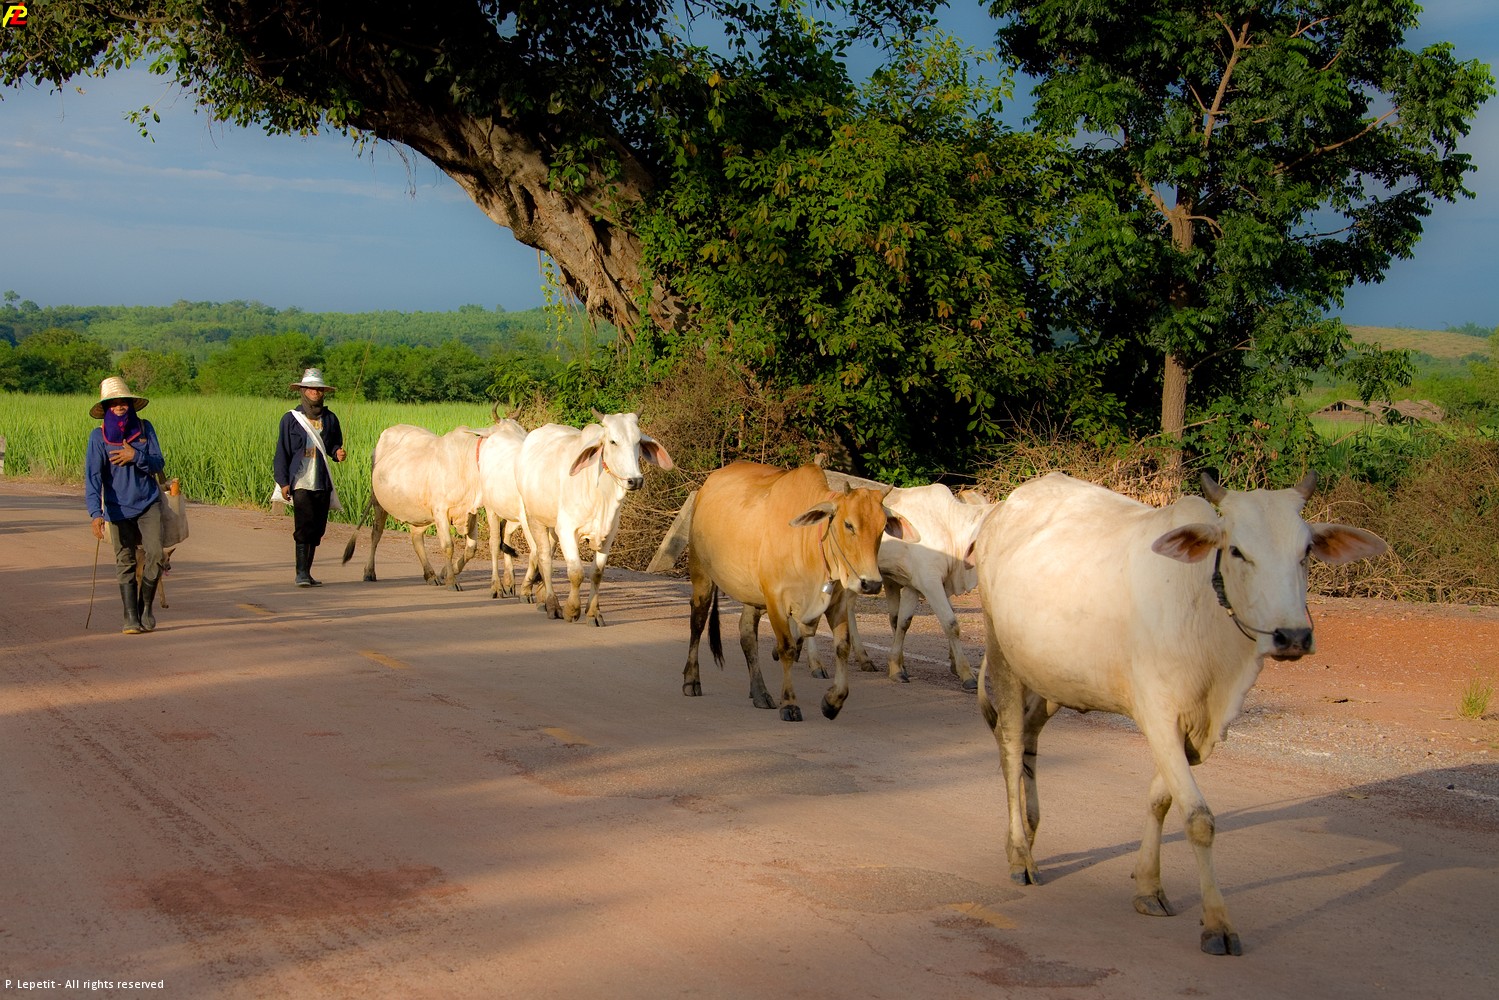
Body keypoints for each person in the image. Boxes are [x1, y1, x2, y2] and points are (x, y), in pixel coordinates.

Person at [85, 376, 167, 634]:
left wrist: (135, 456)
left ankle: (146, 607)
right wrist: (95, 513)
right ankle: (131, 617)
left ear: (131, 404)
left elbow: (158, 463)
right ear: (106, 408)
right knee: (125, 560)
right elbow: (93, 477)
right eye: (113, 403)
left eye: (124, 401)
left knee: (155, 554)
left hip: (148, 503)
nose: (120, 406)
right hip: (117, 508)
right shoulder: (98, 437)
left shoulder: (144, 428)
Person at [273, 368, 347, 586]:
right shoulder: (291, 419)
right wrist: (283, 482)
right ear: (303, 391)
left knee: (318, 528)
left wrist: (337, 453)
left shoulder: (330, 419)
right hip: (300, 481)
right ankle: (301, 573)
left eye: (319, 389)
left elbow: (333, 444)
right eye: (311, 388)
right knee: (304, 525)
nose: (315, 392)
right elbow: (282, 452)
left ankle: (308, 572)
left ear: (323, 392)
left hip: (322, 481)